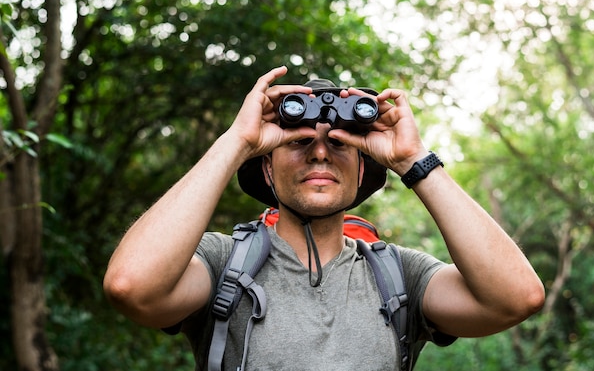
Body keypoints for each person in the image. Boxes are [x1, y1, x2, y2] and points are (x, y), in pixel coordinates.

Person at [103, 66, 545, 370]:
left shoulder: (398, 276)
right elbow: (131, 287)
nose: (319, 151)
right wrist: (238, 140)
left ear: (360, 171)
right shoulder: (223, 265)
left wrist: (414, 159)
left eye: (339, 143)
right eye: (296, 142)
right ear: (267, 167)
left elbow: (516, 298)